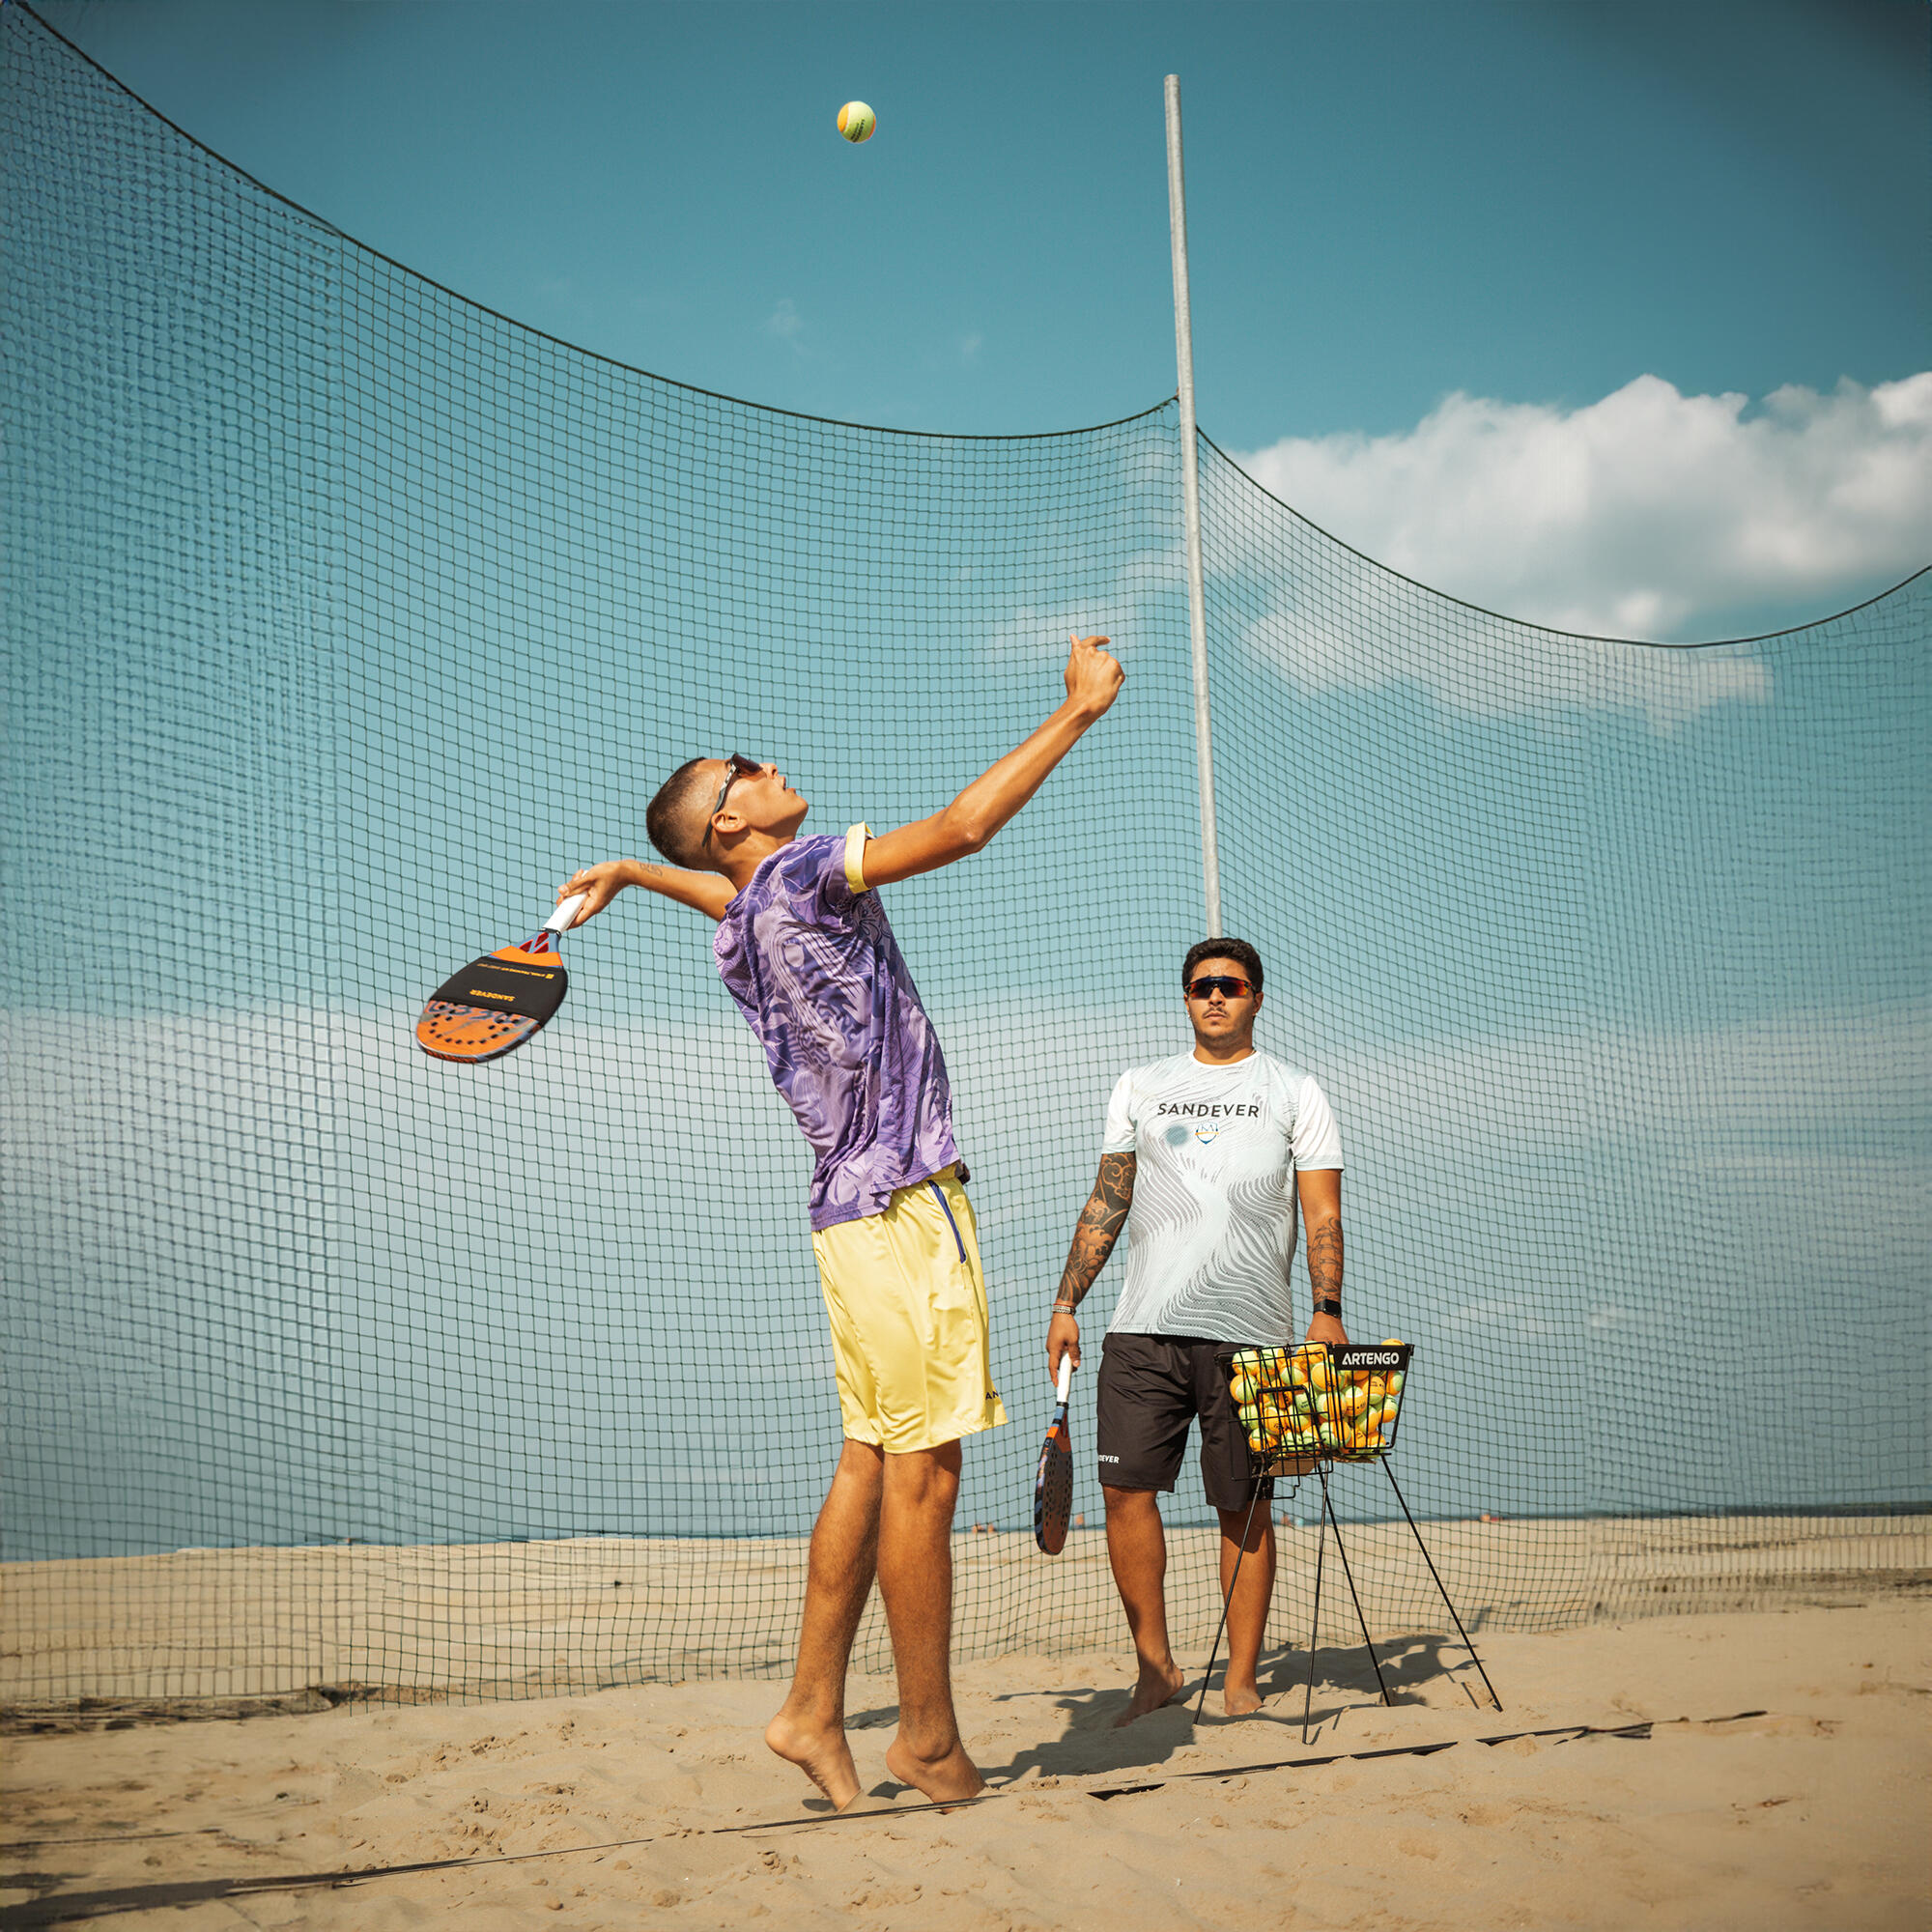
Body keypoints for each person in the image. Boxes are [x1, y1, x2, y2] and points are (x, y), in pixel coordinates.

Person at [558, 634, 1122, 1807]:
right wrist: (1075, 711)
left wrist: (629, 867)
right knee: (927, 1475)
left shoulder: (746, 916)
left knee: (872, 1457)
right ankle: (923, 1735)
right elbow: (962, 828)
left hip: (843, 1218)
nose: (767, 764)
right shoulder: (807, 867)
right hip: (907, 1210)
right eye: (743, 767)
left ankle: (812, 1707)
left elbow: (714, 887)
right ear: (731, 818)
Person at [1044, 938, 1346, 1722]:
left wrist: (1328, 1310)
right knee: (1123, 1493)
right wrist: (1066, 1303)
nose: (1216, 996)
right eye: (1201, 986)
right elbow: (1106, 1200)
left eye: (1231, 985)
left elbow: (1322, 1212)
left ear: (1256, 997)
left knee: (1244, 1506)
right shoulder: (1142, 1085)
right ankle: (1157, 1671)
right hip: (1141, 1329)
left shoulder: (1295, 1091)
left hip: (1254, 1334)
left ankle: (1240, 1680)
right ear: (1185, 998)